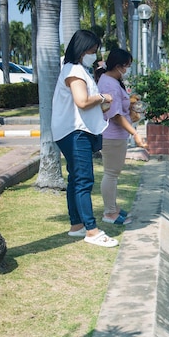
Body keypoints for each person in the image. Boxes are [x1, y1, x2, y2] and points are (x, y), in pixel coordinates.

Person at [51, 29, 118, 248]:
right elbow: (81, 101)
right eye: (91, 51)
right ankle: (92, 230)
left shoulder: (78, 69)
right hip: (74, 132)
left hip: (73, 131)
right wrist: (103, 97)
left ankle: (77, 226)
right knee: (83, 180)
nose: (94, 55)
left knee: (75, 180)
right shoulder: (74, 71)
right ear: (81, 50)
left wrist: (100, 103)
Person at [95, 48, 147, 225]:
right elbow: (115, 115)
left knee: (113, 173)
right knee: (111, 174)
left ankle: (113, 208)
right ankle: (110, 213)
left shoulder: (110, 80)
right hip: (112, 135)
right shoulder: (109, 83)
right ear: (118, 66)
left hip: (116, 135)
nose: (127, 70)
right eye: (127, 66)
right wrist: (135, 134)